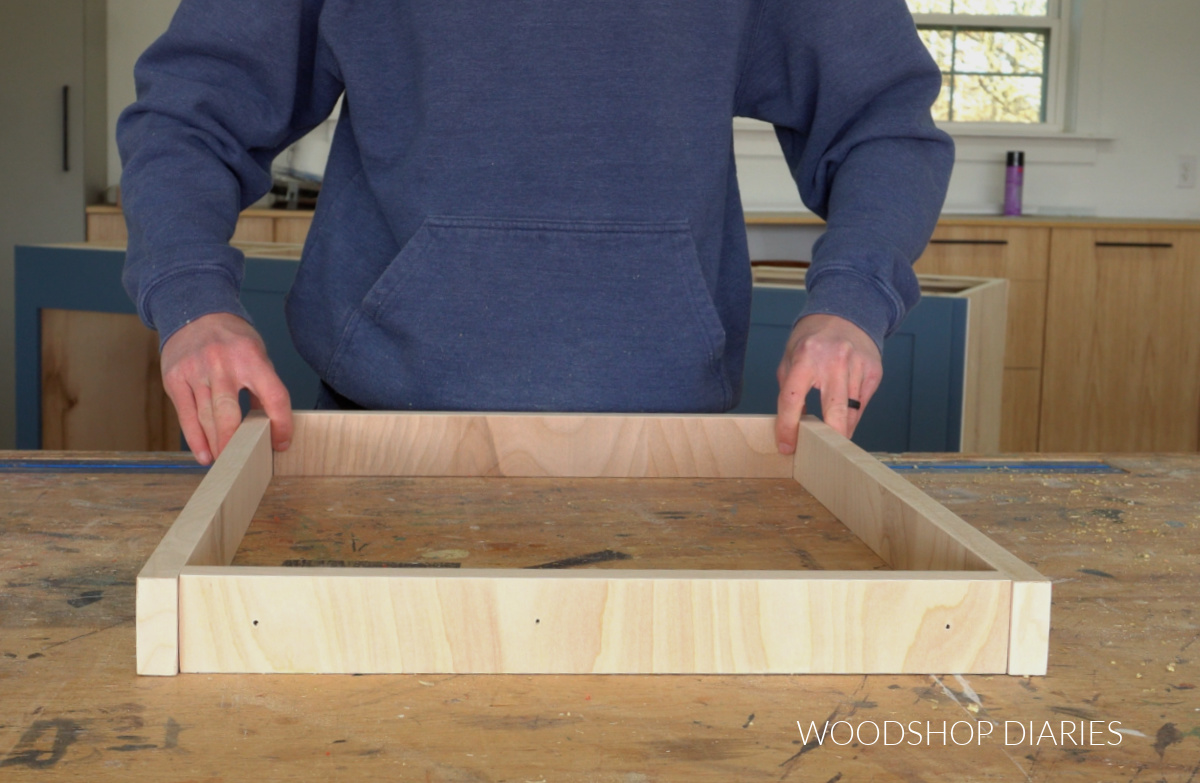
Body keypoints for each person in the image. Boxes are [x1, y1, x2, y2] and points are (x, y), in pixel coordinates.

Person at [119, 0, 953, 466]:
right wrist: (193, 300)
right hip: (379, 449)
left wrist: (850, 299)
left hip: (672, 455)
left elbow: (882, 118)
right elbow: (192, 111)